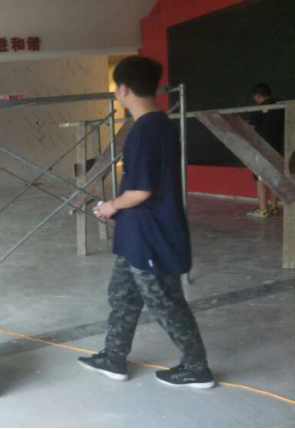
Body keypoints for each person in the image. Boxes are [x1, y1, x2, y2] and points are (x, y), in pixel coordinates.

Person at [79, 56, 215, 389]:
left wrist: (110, 206)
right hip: (135, 235)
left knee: (165, 303)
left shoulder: (146, 131)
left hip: (153, 235)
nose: (116, 93)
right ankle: (114, 357)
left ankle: (196, 367)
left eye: (116, 88)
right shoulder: (156, 124)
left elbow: (141, 190)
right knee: (122, 295)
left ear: (124, 89)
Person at [247, 83, 285, 219]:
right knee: (274, 177)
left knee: (260, 178)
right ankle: (274, 207)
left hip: (261, 149)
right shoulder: (280, 107)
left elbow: (250, 129)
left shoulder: (258, 109)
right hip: (278, 148)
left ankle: (263, 210)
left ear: (257, 95)